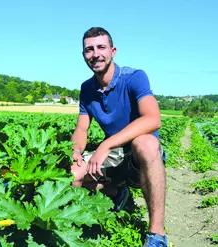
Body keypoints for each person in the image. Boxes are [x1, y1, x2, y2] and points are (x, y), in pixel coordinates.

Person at [70, 27, 168, 247]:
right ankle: (116, 194)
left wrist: (106, 144)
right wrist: (75, 151)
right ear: (84, 55)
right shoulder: (87, 89)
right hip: (114, 155)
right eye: (89, 49)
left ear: (113, 51)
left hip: (139, 157)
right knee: (73, 173)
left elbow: (153, 119)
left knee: (146, 142)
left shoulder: (134, 77)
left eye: (101, 47)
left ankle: (157, 235)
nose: (95, 54)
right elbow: (81, 130)